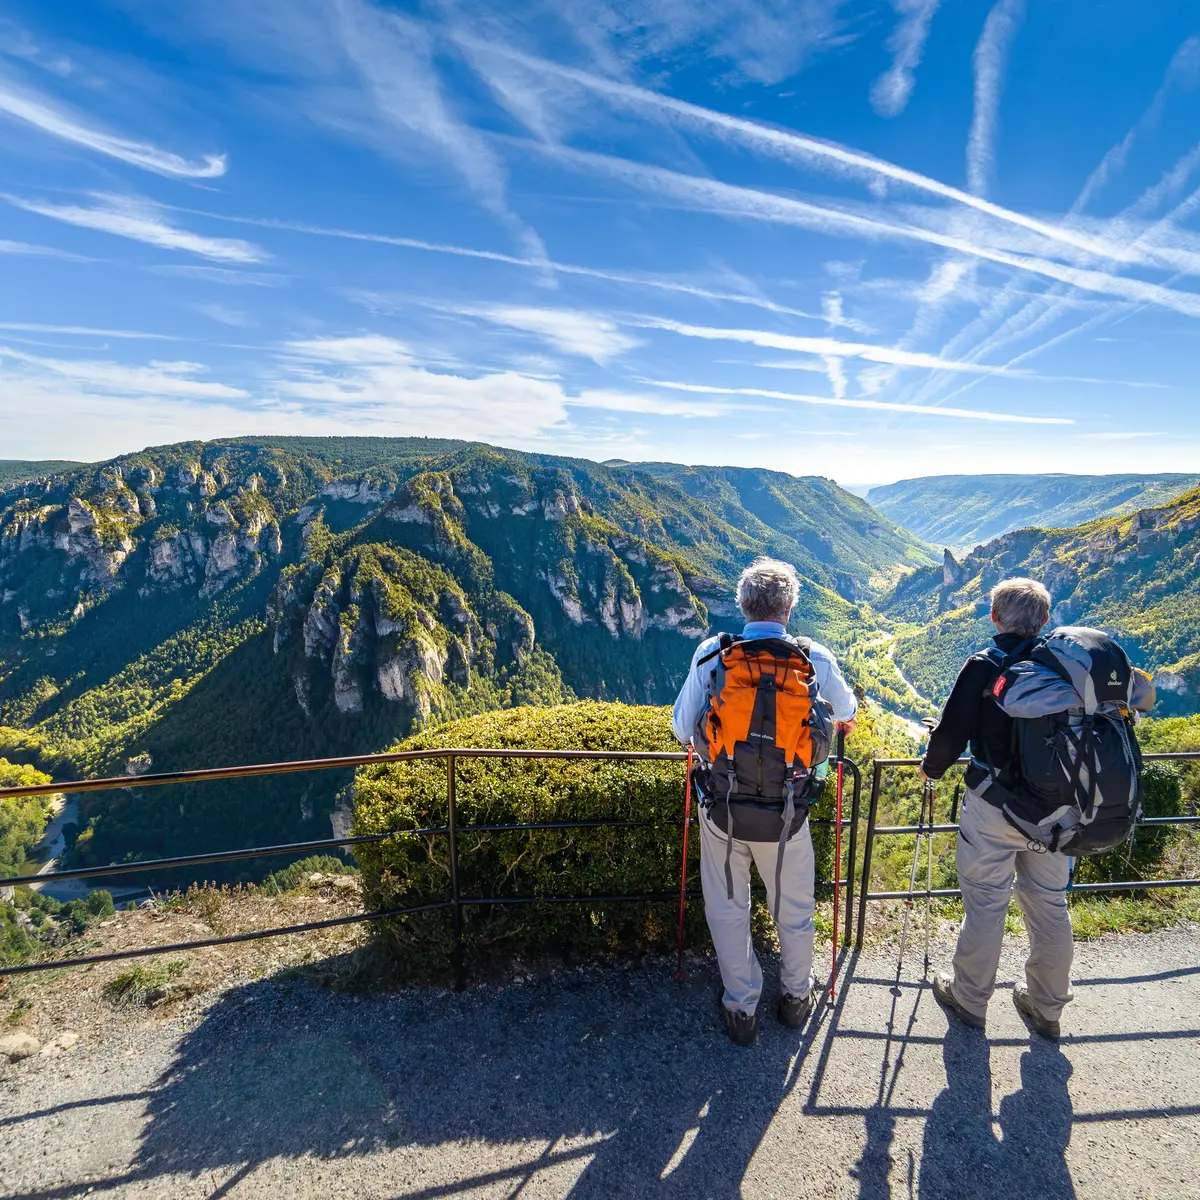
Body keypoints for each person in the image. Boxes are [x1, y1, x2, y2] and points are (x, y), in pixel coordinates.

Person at [672, 557, 857, 1046]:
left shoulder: (713, 653)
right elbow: (848, 710)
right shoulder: (813, 656)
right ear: (790, 607)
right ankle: (796, 998)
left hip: (722, 807)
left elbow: (678, 727)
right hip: (789, 812)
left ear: (742, 605)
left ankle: (741, 1006)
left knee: (728, 908)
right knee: (794, 908)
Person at [921, 577, 1068, 1038]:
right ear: (1045, 620)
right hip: (1055, 810)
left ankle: (969, 999)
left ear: (994, 618)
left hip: (995, 806)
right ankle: (1047, 1007)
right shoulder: (1064, 665)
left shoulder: (985, 665)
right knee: (1048, 904)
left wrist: (932, 768)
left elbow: (951, 734)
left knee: (986, 903)